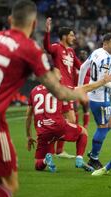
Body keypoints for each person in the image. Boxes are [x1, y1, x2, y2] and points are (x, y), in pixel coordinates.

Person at [0, 1, 87, 197]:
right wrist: (80, 95)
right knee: (7, 185)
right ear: (33, 24)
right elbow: (59, 92)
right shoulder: (29, 49)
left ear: (10, 20)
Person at [25, 69, 111, 172]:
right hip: (58, 126)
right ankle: (79, 159)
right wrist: (103, 81)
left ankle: (46, 161)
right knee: (83, 132)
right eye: (59, 74)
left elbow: (28, 116)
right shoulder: (60, 89)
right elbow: (86, 88)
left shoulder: (34, 90)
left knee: (38, 164)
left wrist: (29, 136)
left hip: (42, 131)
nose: (61, 76)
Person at [78, 33, 111, 169]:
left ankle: (94, 150)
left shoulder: (96, 52)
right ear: (105, 44)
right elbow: (103, 82)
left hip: (95, 96)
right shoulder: (106, 59)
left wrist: (80, 87)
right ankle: (93, 158)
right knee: (103, 127)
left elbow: (83, 68)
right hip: (100, 99)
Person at [43, 17, 82, 158]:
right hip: (61, 89)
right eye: (72, 35)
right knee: (71, 121)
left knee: (66, 121)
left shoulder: (71, 51)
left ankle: (56, 149)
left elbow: (80, 66)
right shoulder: (56, 47)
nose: (74, 37)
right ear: (64, 36)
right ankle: (56, 149)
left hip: (70, 90)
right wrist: (47, 31)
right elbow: (46, 47)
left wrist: (95, 71)